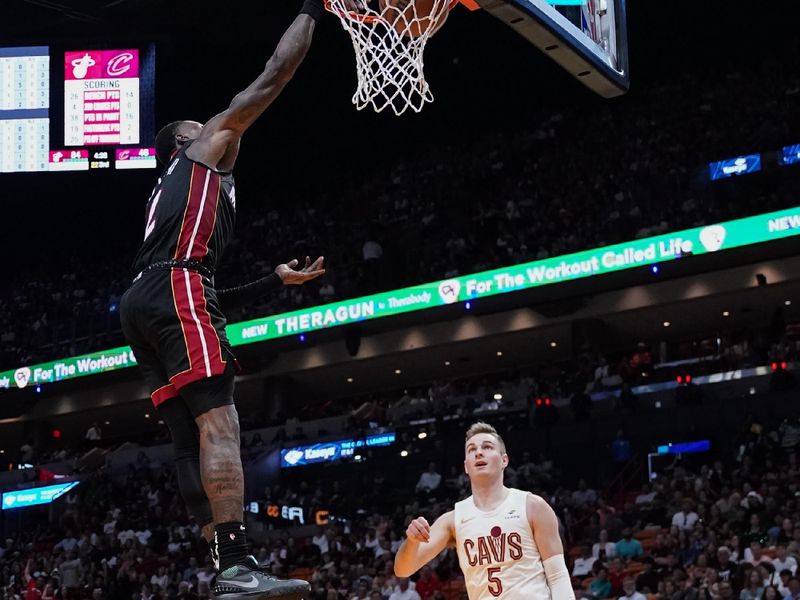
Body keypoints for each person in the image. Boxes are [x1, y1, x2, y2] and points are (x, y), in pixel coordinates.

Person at [118, 0, 360, 596]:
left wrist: (272, 281)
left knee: (187, 438)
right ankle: (237, 567)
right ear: (183, 145)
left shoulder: (179, 194)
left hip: (144, 300)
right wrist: (314, 8)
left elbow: (194, 284)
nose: (213, 123)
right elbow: (276, 73)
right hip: (172, 286)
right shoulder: (200, 154)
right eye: (198, 126)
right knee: (219, 421)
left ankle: (225, 568)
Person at [394, 422, 574, 599]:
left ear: (504, 460)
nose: (478, 452)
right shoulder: (453, 520)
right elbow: (403, 569)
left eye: (487, 447)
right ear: (466, 466)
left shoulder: (533, 506)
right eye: (471, 450)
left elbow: (557, 576)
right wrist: (411, 541)